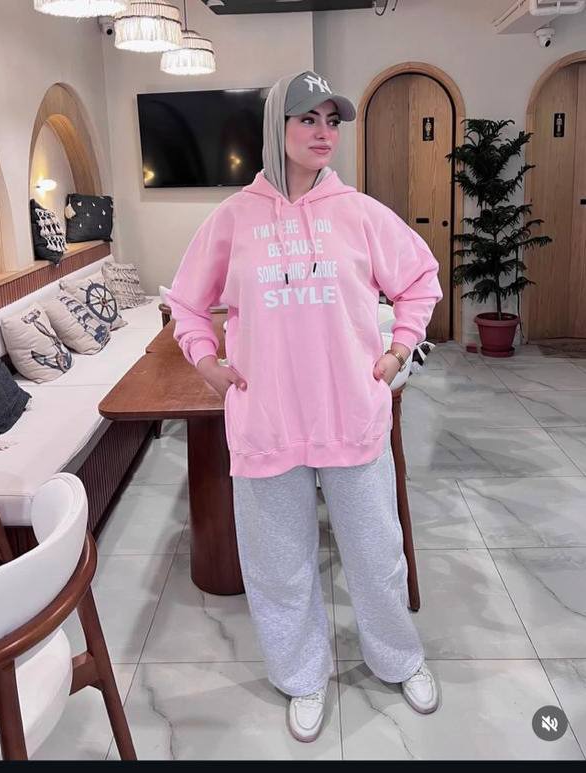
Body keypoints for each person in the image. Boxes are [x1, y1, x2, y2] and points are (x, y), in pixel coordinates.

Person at [166, 70, 444, 744]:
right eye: (308, 119)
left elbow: (420, 279)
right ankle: (302, 674)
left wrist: (398, 350)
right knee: (279, 567)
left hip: (351, 417)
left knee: (376, 556)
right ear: (277, 127)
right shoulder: (235, 218)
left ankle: (398, 657)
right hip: (267, 424)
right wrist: (205, 362)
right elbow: (186, 303)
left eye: (332, 121)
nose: (324, 133)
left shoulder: (359, 211)